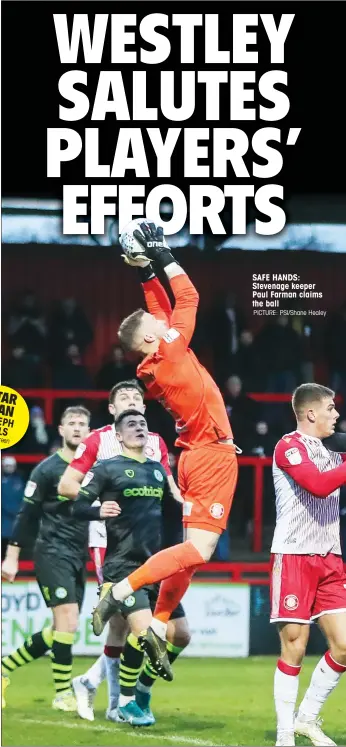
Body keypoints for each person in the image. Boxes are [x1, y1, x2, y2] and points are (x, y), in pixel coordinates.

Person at [92, 220, 238, 679]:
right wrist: (163, 253)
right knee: (200, 551)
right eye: (159, 324)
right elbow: (188, 299)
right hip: (211, 454)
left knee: (191, 550)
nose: (164, 318)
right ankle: (122, 590)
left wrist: (143, 270)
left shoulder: (158, 356)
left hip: (194, 454)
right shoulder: (171, 352)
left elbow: (158, 308)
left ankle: (156, 620)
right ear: (154, 338)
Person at [58, 379, 188, 722]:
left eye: (137, 398)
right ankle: (120, 702)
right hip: (109, 539)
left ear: (145, 410)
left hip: (150, 542)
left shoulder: (156, 445)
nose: (132, 401)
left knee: (122, 627)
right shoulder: (98, 441)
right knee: (130, 625)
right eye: (124, 399)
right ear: (113, 410)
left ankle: (97, 688)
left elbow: (169, 491)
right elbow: (67, 485)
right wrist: (101, 504)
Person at [1, 406, 119, 712]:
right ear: (62, 431)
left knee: (62, 629)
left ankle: (3, 668)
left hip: (78, 554)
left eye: (83, 423)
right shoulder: (46, 469)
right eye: (72, 423)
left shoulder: (95, 469)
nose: (78, 428)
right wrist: (11, 557)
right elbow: (26, 515)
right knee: (66, 620)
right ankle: (63, 694)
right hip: (51, 551)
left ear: (89, 432)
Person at [270, 383, 346, 747]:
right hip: (295, 555)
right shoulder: (289, 446)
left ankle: (307, 718)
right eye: (331, 408)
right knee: (295, 645)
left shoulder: (334, 446)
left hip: (330, 555)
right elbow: (317, 485)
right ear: (311, 413)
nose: (336, 414)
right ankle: (285, 733)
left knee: (345, 646)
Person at [1, 456, 25, 561]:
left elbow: (23, 499)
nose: (9, 468)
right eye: (6, 466)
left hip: (16, 523)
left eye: (11, 466)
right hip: (4, 523)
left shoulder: (19, 481)